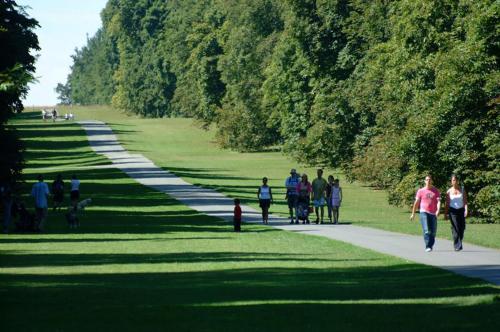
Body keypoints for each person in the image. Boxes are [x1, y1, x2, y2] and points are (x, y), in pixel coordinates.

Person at [411, 175, 441, 252]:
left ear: (431, 181)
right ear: (425, 181)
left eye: (429, 180)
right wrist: (413, 213)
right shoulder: (420, 191)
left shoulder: (436, 191)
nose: (428, 181)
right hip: (423, 212)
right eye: (427, 180)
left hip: (433, 213)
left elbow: (438, 201)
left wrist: (438, 210)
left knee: (433, 232)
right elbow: (416, 202)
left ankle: (430, 246)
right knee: (427, 230)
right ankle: (427, 246)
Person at [444, 175, 468, 251]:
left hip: (461, 210)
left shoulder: (462, 190)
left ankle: (459, 241)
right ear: (451, 182)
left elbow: (465, 202)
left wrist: (466, 210)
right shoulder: (448, 191)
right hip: (452, 211)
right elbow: (447, 204)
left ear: (458, 181)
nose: (454, 181)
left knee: (462, 228)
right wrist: (445, 213)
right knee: (456, 227)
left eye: (455, 180)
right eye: (453, 180)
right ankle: (457, 246)